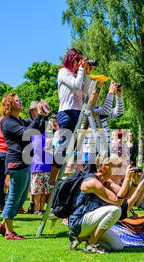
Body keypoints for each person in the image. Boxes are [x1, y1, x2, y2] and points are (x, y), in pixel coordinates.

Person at [0, 94, 48, 240]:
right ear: (10, 104)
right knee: (14, 197)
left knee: (22, 197)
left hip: (25, 161)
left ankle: (3, 225)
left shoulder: (20, 121)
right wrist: (38, 116)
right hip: (16, 162)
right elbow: (27, 134)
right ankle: (9, 232)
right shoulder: (7, 121)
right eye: (17, 100)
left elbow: (38, 130)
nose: (21, 102)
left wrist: (44, 116)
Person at [68, 154, 134, 253]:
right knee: (115, 209)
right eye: (115, 167)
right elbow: (118, 201)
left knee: (117, 246)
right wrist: (127, 179)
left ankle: (80, 239)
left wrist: (135, 182)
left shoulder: (106, 181)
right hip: (79, 222)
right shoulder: (93, 182)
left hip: (91, 222)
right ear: (103, 167)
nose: (118, 171)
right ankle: (91, 244)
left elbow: (126, 196)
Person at [49, 48, 95, 186]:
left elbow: (85, 91)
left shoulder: (77, 74)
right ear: (70, 59)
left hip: (77, 112)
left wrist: (87, 73)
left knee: (73, 146)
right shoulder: (63, 72)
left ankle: (66, 173)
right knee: (64, 146)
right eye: (77, 59)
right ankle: (52, 177)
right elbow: (75, 86)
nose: (78, 62)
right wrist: (81, 69)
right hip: (67, 112)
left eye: (80, 59)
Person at [30, 121, 53, 215]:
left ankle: (42, 209)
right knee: (37, 191)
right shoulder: (36, 134)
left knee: (45, 190)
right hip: (38, 166)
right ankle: (36, 209)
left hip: (47, 165)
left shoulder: (47, 135)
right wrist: (49, 150)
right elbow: (37, 149)